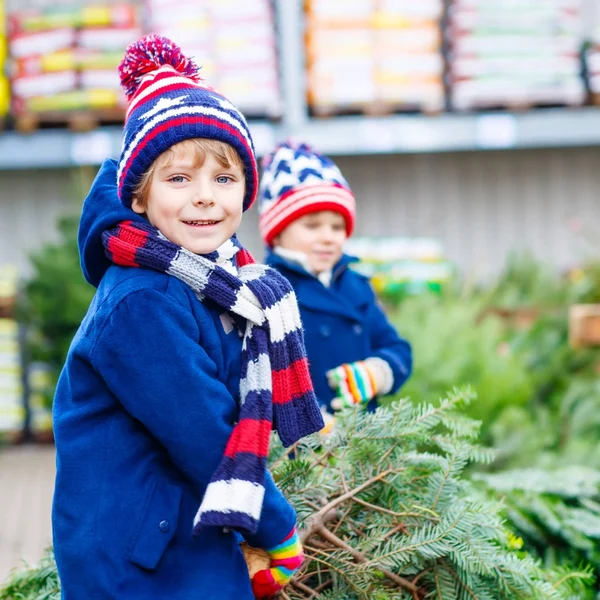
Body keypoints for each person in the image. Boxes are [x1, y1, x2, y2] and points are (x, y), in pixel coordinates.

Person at [52, 35, 323, 599]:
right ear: (139, 198)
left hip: (177, 528)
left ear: (245, 191)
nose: (205, 198)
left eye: (223, 179)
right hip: (134, 557)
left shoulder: (217, 282)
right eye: (179, 179)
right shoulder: (141, 301)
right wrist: (277, 526)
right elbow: (203, 429)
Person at [258, 141, 412, 420]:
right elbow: (261, 376)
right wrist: (309, 419)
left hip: (364, 442)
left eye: (337, 226)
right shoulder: (267, 292)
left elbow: (396, 347)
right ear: (278, 233)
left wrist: (377, 372)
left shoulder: (356, 286)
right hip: (303, 450)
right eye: (312, 226)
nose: (328, 237)